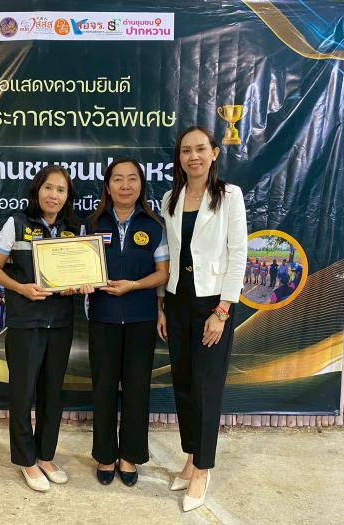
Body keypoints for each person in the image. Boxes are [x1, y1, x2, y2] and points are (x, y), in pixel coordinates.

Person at [157, 126, 247, 512]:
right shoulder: (170, 198)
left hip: (213, 304)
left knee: (207, 388)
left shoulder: (229, 196)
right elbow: (170, 255)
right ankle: (191, 457)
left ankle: (203, 468)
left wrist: (222, 312)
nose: (192, 156)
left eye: (200, 149)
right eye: (185, 151)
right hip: (178, 300)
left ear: (214, 153)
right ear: (179, 158)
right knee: (184, 384)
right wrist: (162, 304)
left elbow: (238, 254)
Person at [0, 165, 91, 492]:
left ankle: (45, 456)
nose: (53, 195)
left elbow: (80, 273)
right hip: (25, 322)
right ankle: (26, 460)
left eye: (61, 190)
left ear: (67, 197)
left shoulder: (75, 229)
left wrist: (78, 285)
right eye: (48, 187)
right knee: (23, 393)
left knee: (51, 393)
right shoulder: (16, 224)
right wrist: (22, 288)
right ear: (37, 190)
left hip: (60, 322)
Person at [86, 158, 170, 487]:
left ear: (141, 185)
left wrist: (133, 285)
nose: (125, 185)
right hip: (103, 317)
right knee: (104, 388)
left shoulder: (154, 225)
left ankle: (129, 456)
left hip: (141, 318)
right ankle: (105, 455)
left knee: (137, 389)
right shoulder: (92, 224)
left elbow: (162, 274)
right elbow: (79, 268)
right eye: (118, 179)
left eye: (132, 179)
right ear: (107, 186)